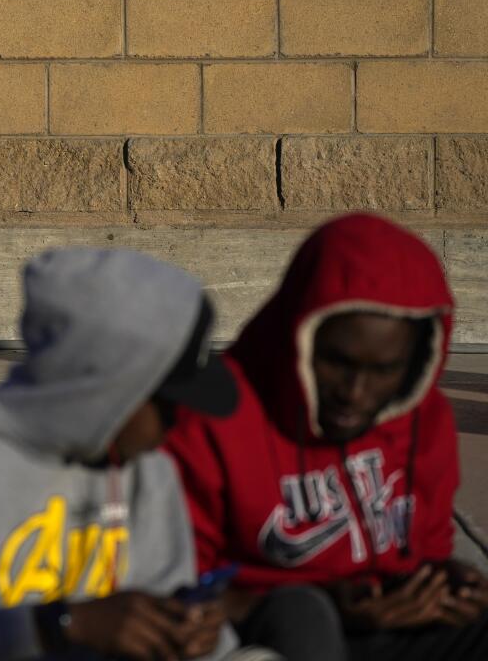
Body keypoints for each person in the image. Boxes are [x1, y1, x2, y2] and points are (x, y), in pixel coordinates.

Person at [0, 247, 254, 661]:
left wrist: (196, 634)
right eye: (167, 403)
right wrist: (50, 625)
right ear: (108, 387)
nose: (179, 423)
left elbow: (165, 602)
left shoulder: (150, 469)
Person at [165, 213, 488, 661]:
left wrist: (445, 581)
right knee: (305, 615)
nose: (355, 394)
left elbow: (423, 549)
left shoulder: (423, 418)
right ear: (296, 336)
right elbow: (172, 586)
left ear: (416, 362)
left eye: (384, 370)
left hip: (385, 621)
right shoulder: (214, 418)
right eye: (337, 361)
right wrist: (327, 600)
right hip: (264, 630)